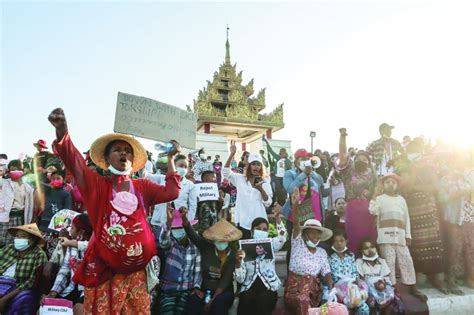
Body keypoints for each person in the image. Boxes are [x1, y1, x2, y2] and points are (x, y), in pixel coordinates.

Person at [48, 107, 181, 314]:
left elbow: (172, 192)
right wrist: (62, 132)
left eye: (127, 150)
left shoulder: (142, 187)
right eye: (117, 150)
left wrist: (171, 159)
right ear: (107, 158)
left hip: (138, 273)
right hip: (105, 271)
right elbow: (75, 163)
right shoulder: (97, 185)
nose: (123, 153)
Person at [369, 174, 426, 301]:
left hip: (400, 237)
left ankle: (413, 287)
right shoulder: (380, 199)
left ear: (397, 185)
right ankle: (392, 289)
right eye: (387, 182)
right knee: (389, 263)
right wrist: (374, 195)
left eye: (393, 182)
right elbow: (373, 211)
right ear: (383, 185)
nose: (390, 184)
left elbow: (406, 218)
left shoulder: (401, 200)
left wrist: (408, 235)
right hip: (385, 237)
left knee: (407, 261)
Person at [400, 139, 446, 292]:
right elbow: (407, 188)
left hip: (429, 208)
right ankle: (420, 274)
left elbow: (436, 187)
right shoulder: (405, 168)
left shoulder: (430, 168)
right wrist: (413, 171)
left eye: (417, 151)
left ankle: (437, 276)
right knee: (418, 242)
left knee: (433, 241)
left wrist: (417, 187)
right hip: (413, 210)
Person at [284, 188, 334, 315]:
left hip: (313, 289)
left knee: (327, 305)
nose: (315, 237)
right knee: (303, 300)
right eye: (312, 233)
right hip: (294, 288)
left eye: (317, 234)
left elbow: (326, 272)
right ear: (305, 234)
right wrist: (295, 205)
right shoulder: (298, 244)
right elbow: (296, 226)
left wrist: (331, 288)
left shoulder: (322, 252)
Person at [182, 209, 241, 315]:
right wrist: (184, 219)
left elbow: (225, 281)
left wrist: (211, 301)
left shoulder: (233, 256)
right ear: (214, 240)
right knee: (193, 302)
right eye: (219, 241)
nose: (221, 243)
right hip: (205, 288)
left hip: (223, 291)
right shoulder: (206, 248)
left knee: (219, 305)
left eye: (224, 241)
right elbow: (193, 236)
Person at [234, 204, 287, 315]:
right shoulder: (244, 248)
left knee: (264, 302)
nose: (262, 231)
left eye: (264, 229)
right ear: (252, 231)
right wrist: (238, 264)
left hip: (268, 285)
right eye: (258, 229)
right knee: (246, 300)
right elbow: (240, 279)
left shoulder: (272, 243)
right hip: (249, 285)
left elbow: (282, 237)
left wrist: (277, 218)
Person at [337, 128, 377, 252]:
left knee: (370, 240)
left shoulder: (372, 174)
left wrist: (374, 209)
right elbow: (343, 154)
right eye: (359, 158)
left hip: (369, 210)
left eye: (365, 159)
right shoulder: (349, 170)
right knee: (354, 239)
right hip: (353, 209)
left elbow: (376, 191)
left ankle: (370, 267)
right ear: (354, 160)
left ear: (369, 163)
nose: (362, 161)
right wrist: (343, 136)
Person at [157, 206, 201, 315]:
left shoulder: (194, 249)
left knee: (182, 311)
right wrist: (168, 223)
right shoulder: (171, 244)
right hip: (168, 290)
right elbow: (163, 241)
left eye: (179, 228)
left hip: (186, 290)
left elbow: (197, 271)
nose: (177, 231)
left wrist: (196, 287)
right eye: (174, 229)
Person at [223, 141, 272, 239]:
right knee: (245, 251)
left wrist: (261, 189)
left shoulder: (265, 182)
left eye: (258, 165)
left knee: (259, 250)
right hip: (243, 221)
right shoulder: (240, 179)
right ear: (249, 166)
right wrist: (232, 154)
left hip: (259, 222)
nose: (256, 167)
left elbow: (268, 203)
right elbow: (225, 172)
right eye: (253, 164)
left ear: (261, 167)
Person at [438, 155, 473, 294]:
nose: (461, 164)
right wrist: (461, 192)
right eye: (458, 161)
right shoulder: (445, 179)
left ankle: (469, 278)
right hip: (455, 219)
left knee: (470, 249)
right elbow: (442, 199)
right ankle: (451, 281)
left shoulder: (468, 178)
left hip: (470, 218)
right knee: (454, 250)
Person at [44, 214, 92, 315]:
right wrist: (53, 292)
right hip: (71, 287)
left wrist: (71, 243)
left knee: (78, 310)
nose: (70, 230)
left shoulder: (93, 247)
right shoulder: (71, 244)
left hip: (87, 290)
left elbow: (89, 246)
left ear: (81, 232)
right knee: (44, 307)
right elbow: (64, 270)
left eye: (73, 228)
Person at [0, 223, 48, 315]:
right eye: (17, 236)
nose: (18, 239)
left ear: (32, 240)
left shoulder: (39, 255)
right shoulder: (10, 248)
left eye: (22, 237)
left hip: (17, 287)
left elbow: (31, 282)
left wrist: (4, 299)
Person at [149, 154, 197, 226]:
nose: (183, 169)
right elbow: (145, 176)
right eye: (181, 166)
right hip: (159, 222)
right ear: (173, 166)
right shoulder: (161, 178)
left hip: (179, 224)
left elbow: (193, 206)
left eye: (186, 167)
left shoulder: (190, 185)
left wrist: (187, 224)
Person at [329, 230, 369, 315]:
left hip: (353, 289)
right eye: (336, 241)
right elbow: (330, 277)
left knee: (364, 308)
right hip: (338, 291)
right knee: (341, 310)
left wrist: (356, 284)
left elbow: (355, 273)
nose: (339, 243)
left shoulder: (351, 256)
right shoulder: (329, 258)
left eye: (341, 241)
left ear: (346, 241)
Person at [355, 238, 401, 314]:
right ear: (361, 251)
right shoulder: (359, 262)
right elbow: (360, 280)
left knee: (393, 299)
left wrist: (383, 285)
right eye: (366, 248)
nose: (370, 250)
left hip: (383, 289)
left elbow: (387, 279)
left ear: (376, 248)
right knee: (372, 302)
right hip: (369, 290)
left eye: (372, 247)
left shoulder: (382, 261)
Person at [0, 160, 35, 247]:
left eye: (17, 170)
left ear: (22, 171)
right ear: (8, 171)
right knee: (3, 241)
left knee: (17, 240)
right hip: (7, 217)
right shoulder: (4, 183)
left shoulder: (27, 187)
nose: (15, 172)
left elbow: (30, 205)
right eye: (13, 170)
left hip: (20, 217)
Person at [263, 136, 292, 206]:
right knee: (278, 190)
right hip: (277, 177)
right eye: (281, 153)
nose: (282, 154)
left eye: (283, 153)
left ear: (285, 153)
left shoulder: (288, 161)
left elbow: (290, 170)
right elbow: (271, 151)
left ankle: (284, 203)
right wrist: (266, 142)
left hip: (285, 177)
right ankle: (279, 203)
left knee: (284, 190)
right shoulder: (278, 158)